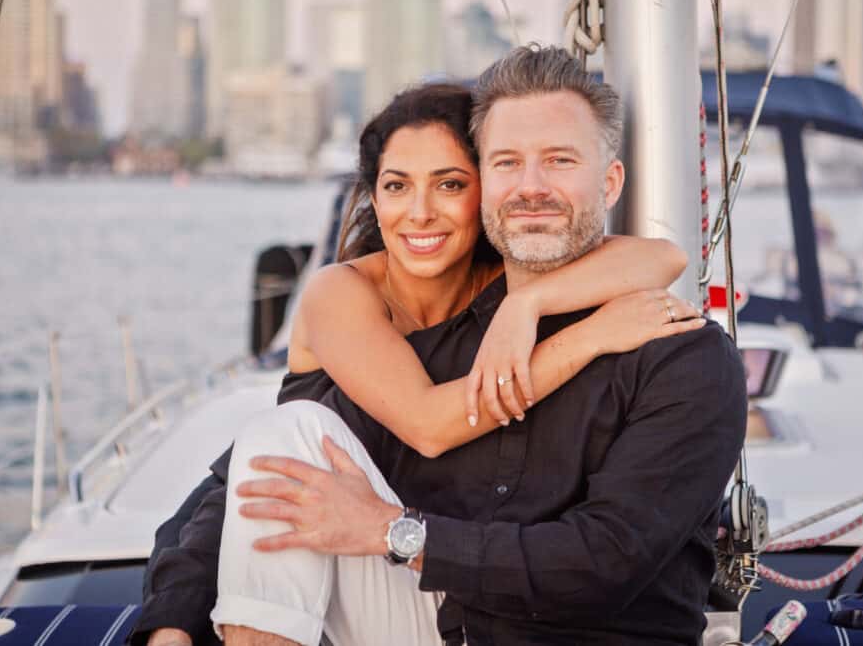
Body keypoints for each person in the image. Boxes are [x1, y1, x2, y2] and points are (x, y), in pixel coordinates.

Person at [134, 47, 743, 646]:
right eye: (507, 163)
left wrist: (398, 534)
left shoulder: (680, 354)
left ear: (610, 182)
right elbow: (250, 481)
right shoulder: (431, 339)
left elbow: (607, 562)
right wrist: (172, 622)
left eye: (559, 160)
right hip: (441, 623)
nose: (532, 187)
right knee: (288, 432)